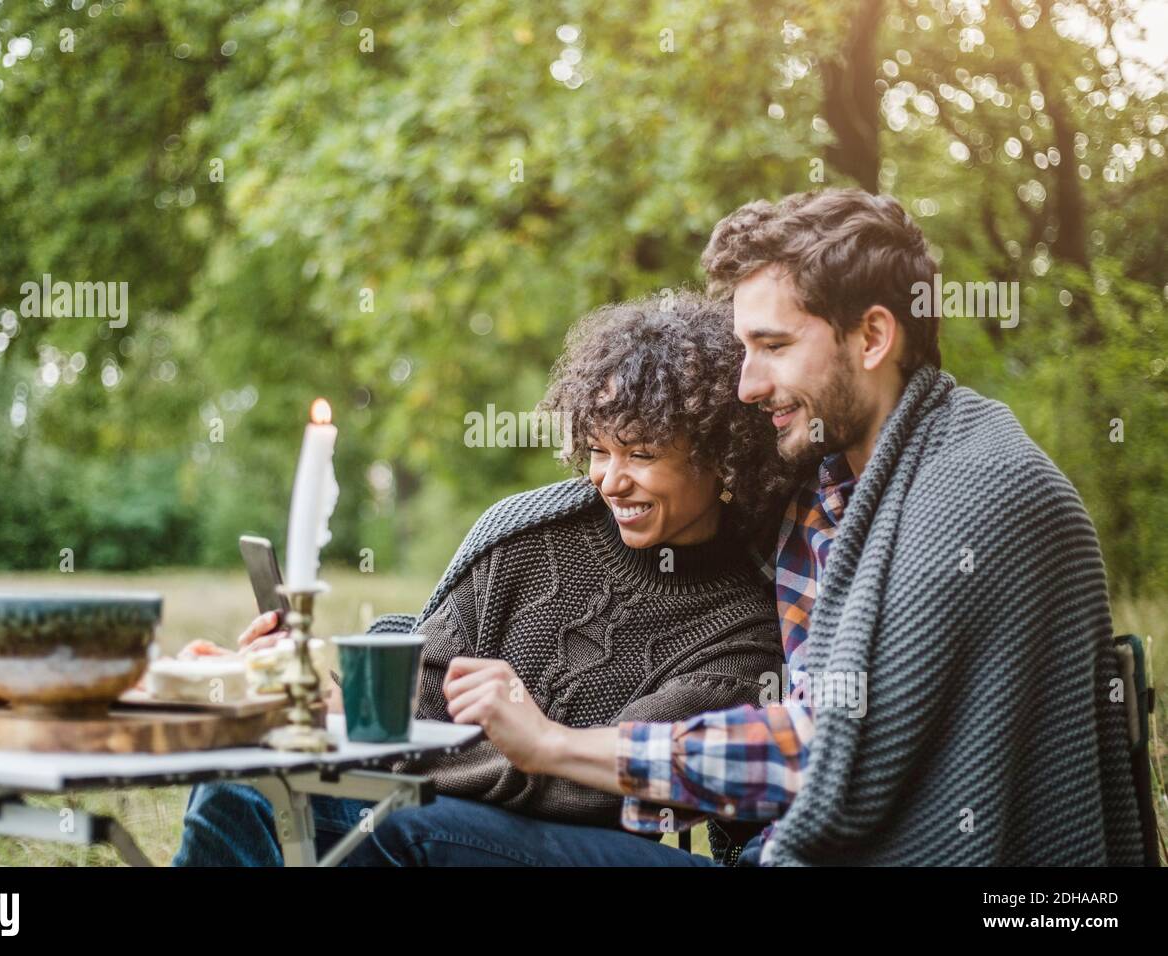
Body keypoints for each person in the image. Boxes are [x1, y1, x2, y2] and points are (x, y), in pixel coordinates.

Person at [340, 188, 1143, 866]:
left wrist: (552, 746)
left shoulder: (973, 492)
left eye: (772, 346)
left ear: (872, 336)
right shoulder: (830, 479)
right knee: (267, 808)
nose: (747, 384)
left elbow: (826, 748)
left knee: (407, 837)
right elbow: (653, 539)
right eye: (740, 347)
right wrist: (350, 669)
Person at [174, 291, 800, 866]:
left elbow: (580, 787)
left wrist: (388, 737)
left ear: (721, 455)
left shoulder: (740, 629)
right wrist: (325, 700)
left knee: (393, 829)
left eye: (641, 455)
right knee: (242, 780)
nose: (610, 479)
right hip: (428, 802)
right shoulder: (527, 535)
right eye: (598, 450)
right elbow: (420, 689)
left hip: (557, 845)